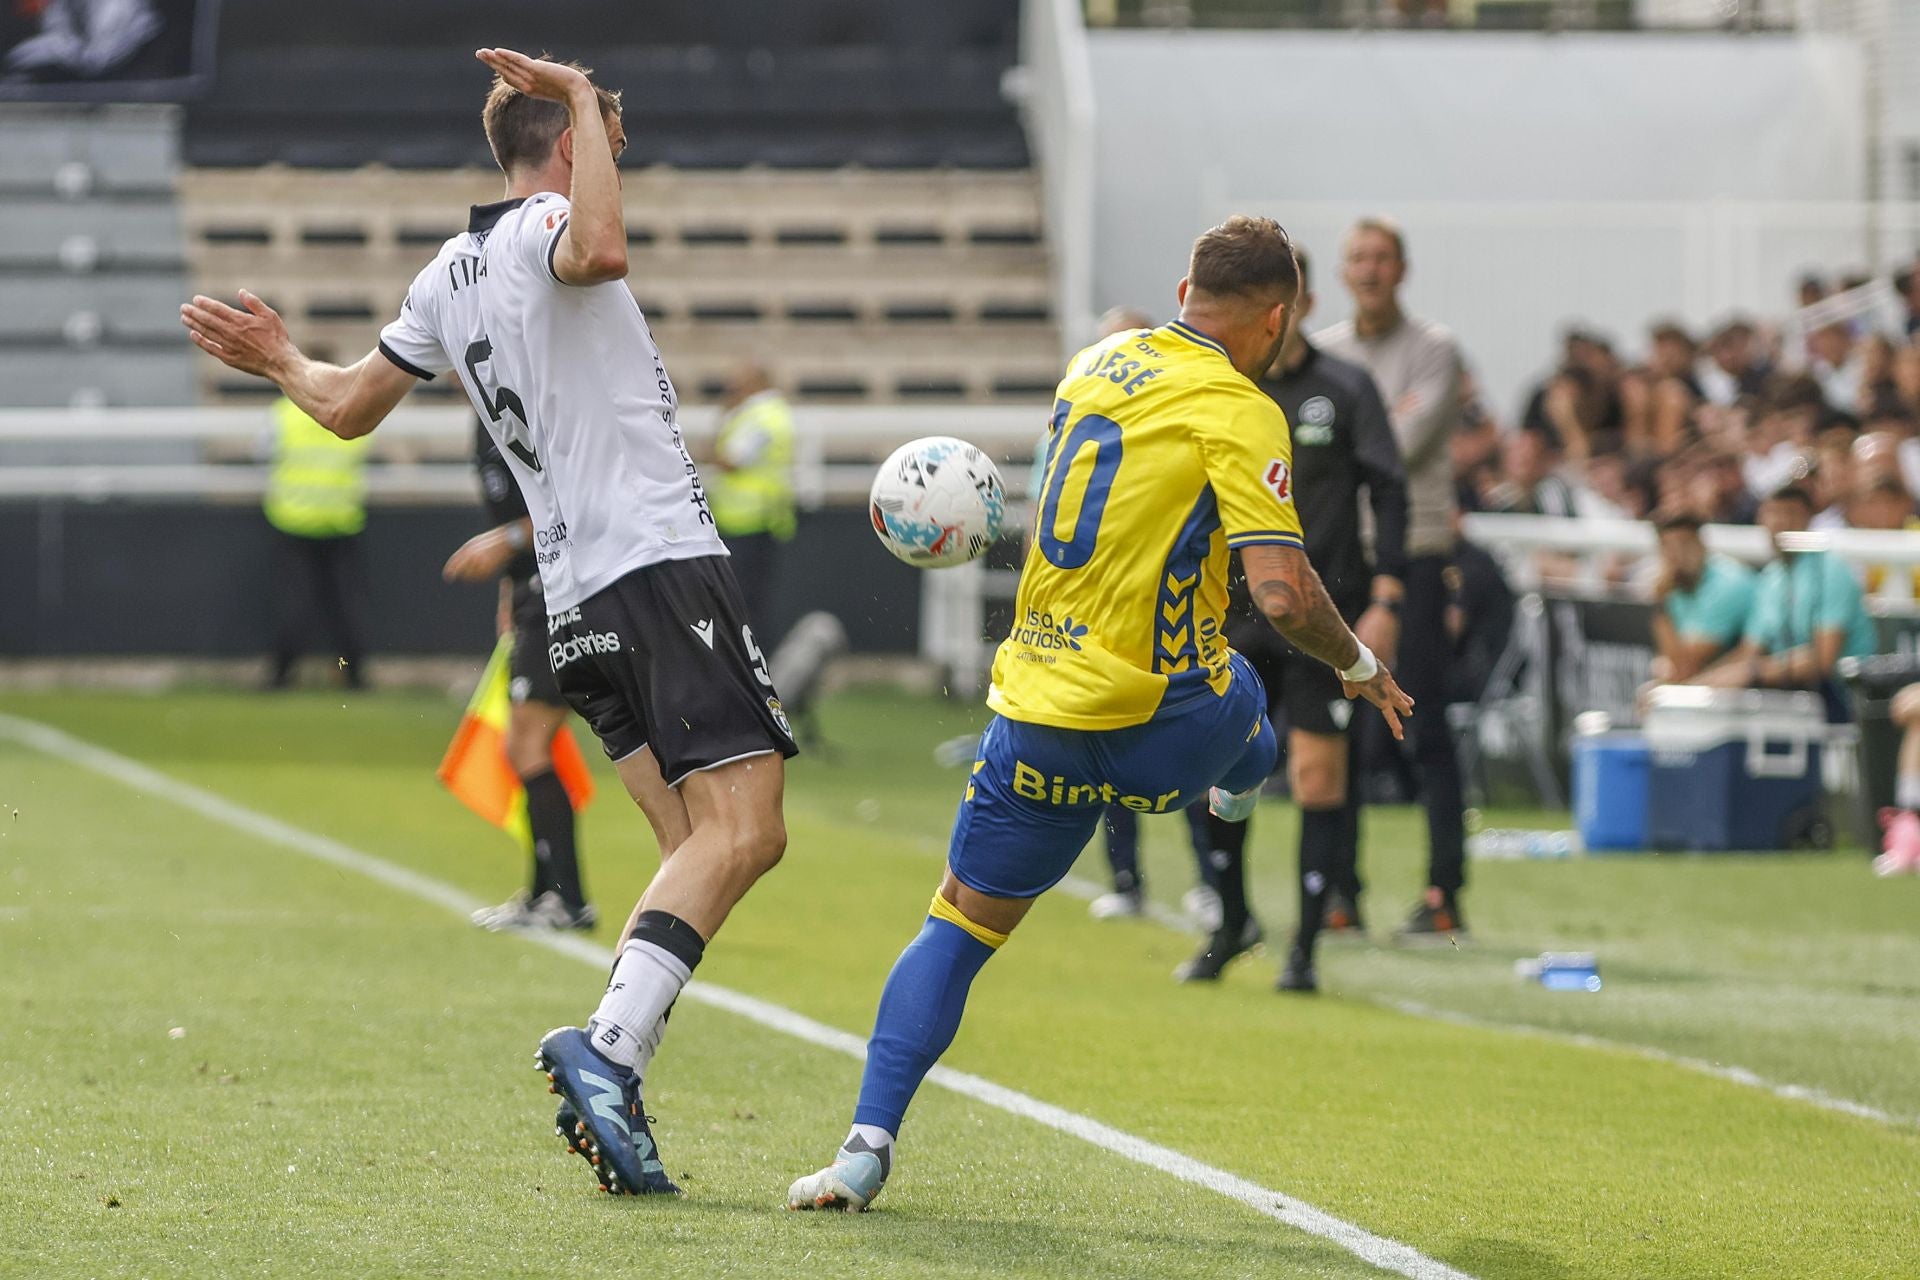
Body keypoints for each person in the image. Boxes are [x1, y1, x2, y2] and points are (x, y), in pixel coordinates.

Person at [182, 50, 798, 1199]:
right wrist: (584, 95)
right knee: (747, 830)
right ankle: (608, 1051)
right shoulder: (552, 227)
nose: (617, 165)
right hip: (656, 565)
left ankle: (618, 1070)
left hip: (572, 598)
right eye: (606, 142)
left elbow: (344, 406)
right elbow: (601, 247)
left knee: (693, 849)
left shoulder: (444, 276)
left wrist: (279, 359)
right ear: (565, 144)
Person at [786, 216, 1412, 1211]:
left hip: (1036, 709)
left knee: (954, 926)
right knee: (1249, 696)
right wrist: (1361, 663)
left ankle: (863, 1147)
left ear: (1184, 292)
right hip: (1166, 721)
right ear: (1278, 320)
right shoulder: (1243, 407)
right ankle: (1238, 790)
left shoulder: (1093, 364)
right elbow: (1284, 596)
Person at [1169, 245, 1408, 993]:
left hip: (1318, 613)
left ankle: (1304, 948)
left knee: (1315, 774)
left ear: (1293, 307)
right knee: (1211, 770)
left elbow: (1390, 491)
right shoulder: (1221, 389)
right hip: (1227, 614)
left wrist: (1387, 597)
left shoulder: (1344, 387)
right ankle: (1231, 921)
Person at [1318, 217, 1471, 940]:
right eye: (1359, 258)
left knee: (1426, 725)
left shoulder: (1434, 349)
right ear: (1343, 272)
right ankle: (1339, 890)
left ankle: (1444, 892)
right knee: (1339, 725)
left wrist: (1336, 439)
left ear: (1401, 270)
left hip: (1414, 553)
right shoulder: (1329, 353)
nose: (1370, 269)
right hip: (1344, 558)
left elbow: (1397, 448)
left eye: (1381, 258)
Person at [443, 416, 596, 931]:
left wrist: (506, 540)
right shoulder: (484, 415)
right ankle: (547, 894)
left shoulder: (526, 402)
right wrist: (510, 591)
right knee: (525, 745)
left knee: (529, 744)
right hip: (535, 592)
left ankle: (567, 899)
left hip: (565, 591)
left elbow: (574, 501)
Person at [1690, 485, 1876, 720]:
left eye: (1791, 513)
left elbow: (1822, 660)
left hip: (1842, 700)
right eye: (1773, 513)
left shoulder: (1831, 569)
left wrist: (1753, 671)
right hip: (1789, 696)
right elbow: (1749, 651)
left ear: (1809, 519)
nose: (1781, 522)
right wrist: (1696, 685)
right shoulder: (1771, 576)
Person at [261, 395, 372, 690]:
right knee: (346, 608)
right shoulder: (354, 406)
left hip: (292, 521)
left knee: (293, 606)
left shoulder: (282, 413)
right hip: (341, 521)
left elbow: (261, 452)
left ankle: (281, 676)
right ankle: (353, 676)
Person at [708, 361, 796, 637]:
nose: (732, 387)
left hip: (746, 522)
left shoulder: (758, 416)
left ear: (754, 382)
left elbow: (730, 460)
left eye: (738, 381)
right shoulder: (774, 412)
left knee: (742, 602)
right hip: (762, 518)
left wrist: (724, 419)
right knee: (755, 601)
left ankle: (751, 656)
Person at [1649, 513, 1756, 682]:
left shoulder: (1728, 584)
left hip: (1751, 681)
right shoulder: (1675, 583)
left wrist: (1660, 604)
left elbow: (1684, 666)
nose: (1677, 555)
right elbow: (1674, 661)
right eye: (1668, 546)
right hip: (1713, 676)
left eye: (1684, 544)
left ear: (1701, 545)